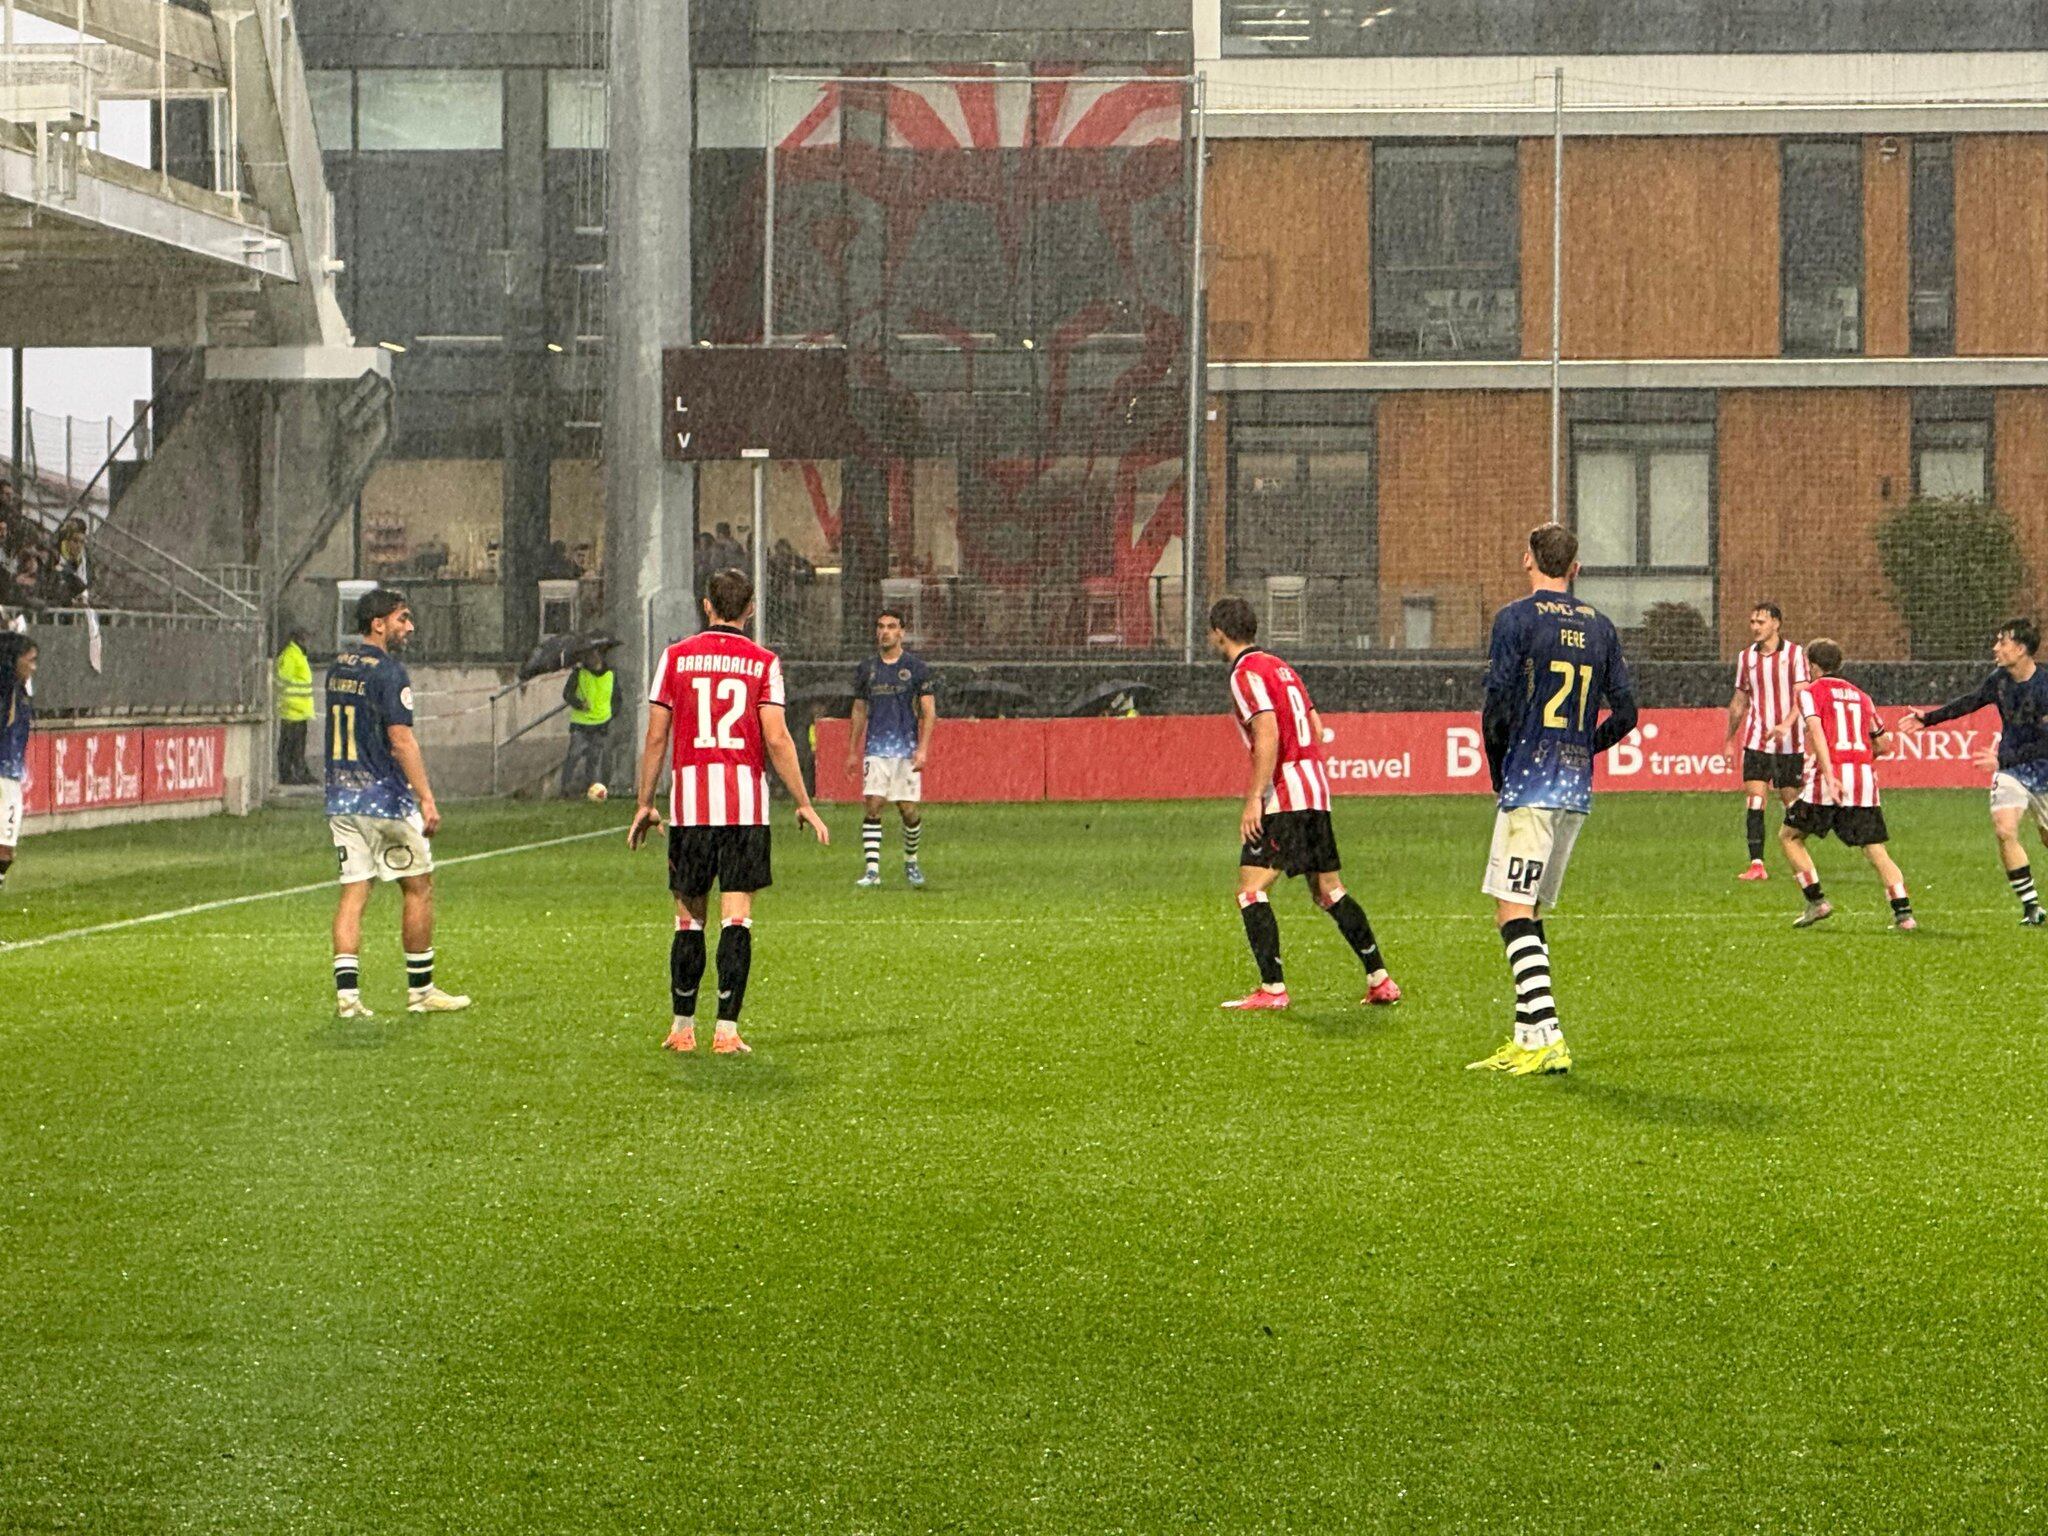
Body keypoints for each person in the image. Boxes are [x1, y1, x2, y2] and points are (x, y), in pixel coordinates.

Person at [628, 567, 830, 1057]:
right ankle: (726, 1031)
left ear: (706, 605)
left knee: (689, 921)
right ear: (752, 609)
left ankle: (681, 1028)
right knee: (736, 919)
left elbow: (657, 735)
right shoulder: (763, 663)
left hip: (692, 807)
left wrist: (644, 803)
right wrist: (804, 801)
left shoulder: (675, 657)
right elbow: (778, 738)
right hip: (745, 809)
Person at [1469, 524, 1637, 1077]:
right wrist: (1587, 745)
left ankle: (1550, 1036)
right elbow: (1629, 713)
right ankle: (1526, 1039)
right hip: (1573, 787)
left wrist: (1499, 769)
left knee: (1510, 909)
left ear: (1528, 561)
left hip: (1529, 782)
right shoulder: (1601, 627)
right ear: (1576, 568)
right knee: (1530, 906)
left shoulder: (1515, 619)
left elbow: (1496, 704)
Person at [1208, 595, 1399, 1014]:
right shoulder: (1283, 667)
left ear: (1219, 633)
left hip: (1285, 795)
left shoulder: (1244, 673)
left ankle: (1272, 989)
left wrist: (1256, 799)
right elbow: (1315, 726)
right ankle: (1380, 979)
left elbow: (1268, 733)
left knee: (1251, 891)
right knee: (1329, 891)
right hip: (1315, 788)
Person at [325, 588, 469, 1018]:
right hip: (382, 800)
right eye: (402, 618)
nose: (409, 627)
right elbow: (400, 738)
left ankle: (348, 999)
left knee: (354, 893)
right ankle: (421, 991)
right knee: (419, 887)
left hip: (340, 797)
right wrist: (426, 797)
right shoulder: (389, 672)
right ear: (378, 624)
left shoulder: (338, 667)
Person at [1896, 619, 2048, 926]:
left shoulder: (2045, 686)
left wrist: (2004, 756)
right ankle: (2031, 906)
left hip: (2043, 768)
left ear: (2020, 649)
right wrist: (1929, 719)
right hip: (2011, 771)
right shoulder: (1999, 679)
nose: (1996, 647)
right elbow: (1971, 701)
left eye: (2002, 642)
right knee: (2005, 830)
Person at [1779, 638, 1914, 931]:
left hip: (1830, 779)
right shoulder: (1861, 696)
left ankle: (1817, 902)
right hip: (1863, 779)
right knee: (1874, 848)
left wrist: (1829, 774)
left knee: (1789, 836)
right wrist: (1861, 759)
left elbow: (1817, 733)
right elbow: (1884, 744)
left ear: (1813, 665)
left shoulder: (1810, 693)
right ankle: (1904, 913)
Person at [847, 608, 936, 888]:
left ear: (902, 633)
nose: (884, 631)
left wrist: (922, 749)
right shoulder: (867, 669)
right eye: (881, 626)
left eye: (891, 626)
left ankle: (911, 861)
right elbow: (859, 709)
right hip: (876, 749)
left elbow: (928, 711)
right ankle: (872, 871)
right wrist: (852, 750)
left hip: (906, 750)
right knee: (873, 804)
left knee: (908, 810)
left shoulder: (916, 669)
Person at [1724, 602, 1809, 880]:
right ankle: (1757, 864)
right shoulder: (1745, 657)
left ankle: (1798, 858)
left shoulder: (1795, 655)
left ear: (1776, 623)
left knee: (1792, 804)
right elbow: (1739, 701)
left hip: (1790, 743)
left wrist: (1787, 724)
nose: (1755, 627)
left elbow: (1803, 697)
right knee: (1755, 801)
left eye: (1761, 622)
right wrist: (1728, 740)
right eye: (1752, 622)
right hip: (1756, 741)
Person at [0, 632, 36, 895]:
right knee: (3, 851)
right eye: (30, 660)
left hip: (9, 774)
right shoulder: (6, 689)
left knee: (5, 852)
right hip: (2, 776)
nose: (33, 667)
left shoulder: (19, 690)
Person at [559, 641, 617, 798]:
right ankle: (565, 790)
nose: (591, 658)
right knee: (574, 756)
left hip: (601, 723)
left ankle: (594, 790)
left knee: (595, 758)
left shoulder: (611, 674)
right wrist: (579, 704)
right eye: (588, 655)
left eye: (593, 654)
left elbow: (617, 697)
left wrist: (612, 714)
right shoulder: (579, 673)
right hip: (581, 723)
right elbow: (567, 694)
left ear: (599, 656)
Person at [275, 629, 315, 785]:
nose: (308, 642)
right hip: (291, 709)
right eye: (306, 638)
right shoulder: (291, 655)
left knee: (297, 745)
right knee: (289, 745)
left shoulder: (298, 654)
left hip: (299, 709)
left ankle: (300, 772)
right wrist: (287, 701)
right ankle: (288, 775)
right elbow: (283, 680)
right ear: (299, 639)